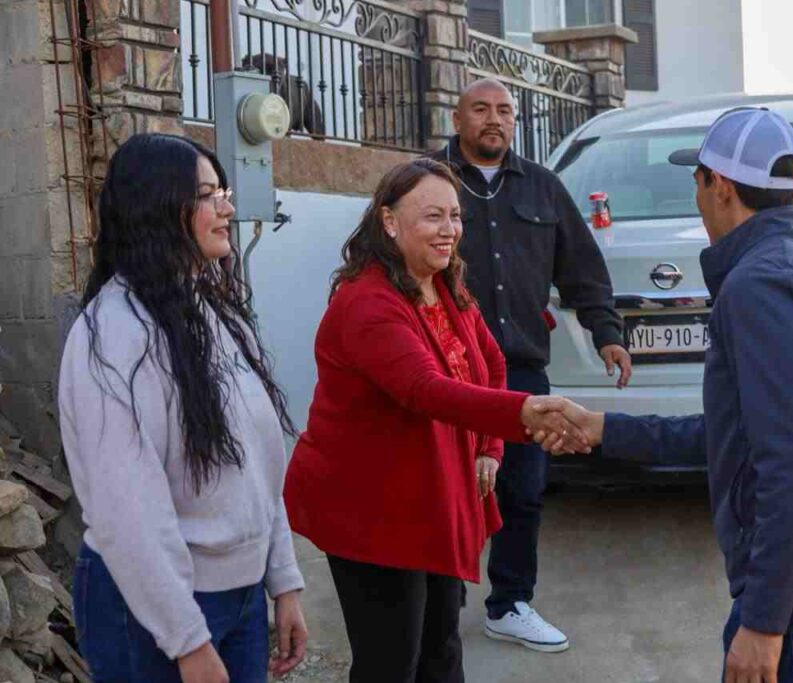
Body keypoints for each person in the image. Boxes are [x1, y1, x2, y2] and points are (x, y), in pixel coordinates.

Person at [535, 108, 793, 682]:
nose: (697, 195)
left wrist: (764, 622)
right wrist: (603, 429)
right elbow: (742, 435)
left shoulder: (758, 284)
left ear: (722, 187)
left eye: (698, 180)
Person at [283, 158, 587, 683]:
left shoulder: (443, 284)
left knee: (442, 646)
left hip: (432, 495)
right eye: (432, 216)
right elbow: (423, 390)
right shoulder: (366, 302)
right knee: (392, 660)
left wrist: (490, 447)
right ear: (389, 220)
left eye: (455, 216)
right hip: (373, 509)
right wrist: (523, 413)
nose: (450, 230)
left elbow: (491, 363)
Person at [58, 133, 307, 683]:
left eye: (223, 192)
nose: (227, 208)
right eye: (207, 195)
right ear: (158, 208)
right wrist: (186, 639)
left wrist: (283, 580)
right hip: (150, 610)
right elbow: (128, 511)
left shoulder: (218, 312)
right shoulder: (114, 334)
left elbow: (258, 465)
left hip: (239, 598)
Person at [426, 77, 631, 652]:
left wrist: (607, 333)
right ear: (457, 118)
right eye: (481, 109)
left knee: (522, 490)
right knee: (443, 490)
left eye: (504, 111)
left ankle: (510, 603)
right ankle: (439, 603)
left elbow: (582, 268)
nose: (494, 119)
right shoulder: (427, 182)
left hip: (518, 369)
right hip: (442, 368)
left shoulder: (544, 188)